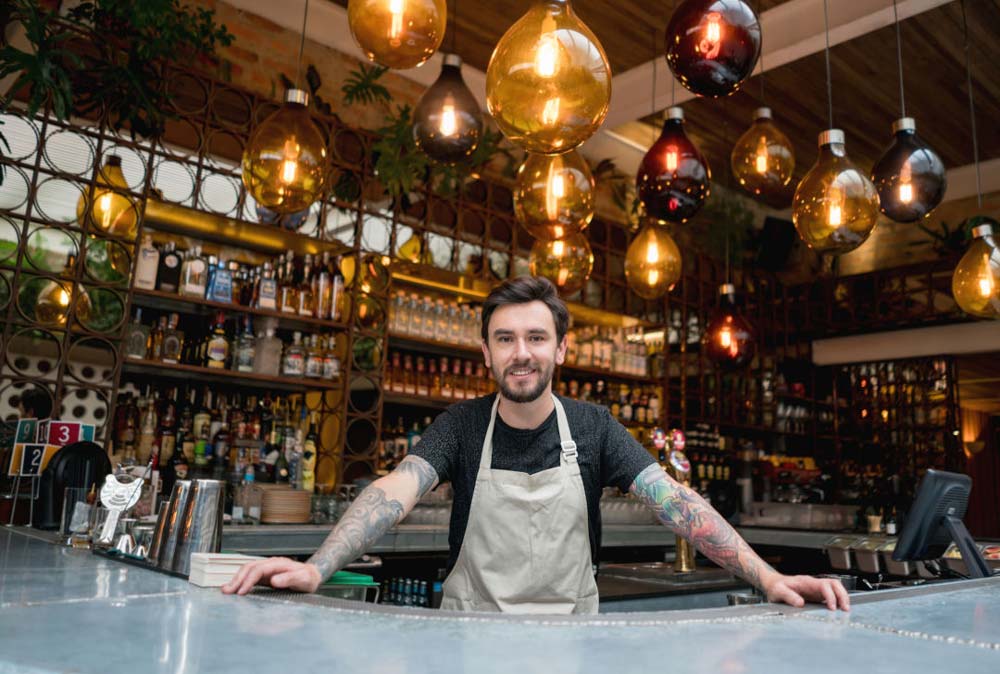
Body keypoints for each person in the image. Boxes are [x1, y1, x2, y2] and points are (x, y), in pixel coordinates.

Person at [224, 276, 849, 614]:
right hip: (468, 644)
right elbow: (395, 490)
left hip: (570, 649)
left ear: (561, 349)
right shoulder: (462, 426)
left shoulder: (596, 427)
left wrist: (769, 578)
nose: (520, 353)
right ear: (486, 352)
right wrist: (316, 567)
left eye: (535, 337)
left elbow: (674, 501)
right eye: (505, 339)